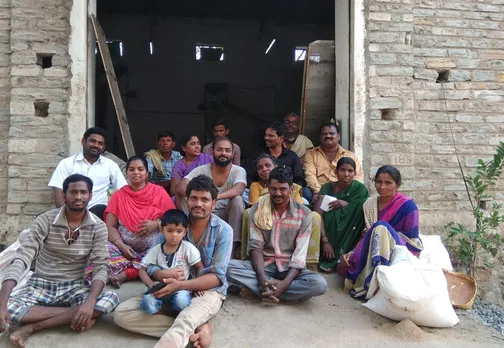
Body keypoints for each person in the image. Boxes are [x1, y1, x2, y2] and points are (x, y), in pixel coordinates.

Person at [0, 174, 119, 348]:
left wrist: (90, 301)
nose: (78, 196)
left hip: (74, 286)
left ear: (90, 196)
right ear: (64, 195)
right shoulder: (45, 220)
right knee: (8, 307)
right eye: (73, 192)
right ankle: (76, 315)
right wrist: (2, 304)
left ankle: (33, 327)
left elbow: (101, 265)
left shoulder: (98, 226)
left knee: (111, 298)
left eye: (83, 192)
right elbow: (23, 257)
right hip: (40, 284)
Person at [114, 175, 233, 348]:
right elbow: (151, 263)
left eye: (205, 199)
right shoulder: (172, 225)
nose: (198, 204)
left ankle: (184, 326)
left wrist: (182, 285)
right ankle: (200, 327)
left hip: (205, 291)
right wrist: (160, 274)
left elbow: (217, 277)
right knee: (122, 314)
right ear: (187, 200)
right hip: (168, 286)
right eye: (194, 198)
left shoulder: (224, 231)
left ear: (214, 203)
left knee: (185, 318)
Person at [227, 167, 327, 303]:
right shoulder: (258, 209)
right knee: (225, 267)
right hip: (264, 266)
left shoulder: (304, 213)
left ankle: (260, 291)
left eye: (283, 189)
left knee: (320, 284)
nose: (278, 193)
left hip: (289, 268)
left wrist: (285, 283)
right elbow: (256, 247)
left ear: (291, 189)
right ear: (268, 187)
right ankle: (276, 291)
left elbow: (299, 255)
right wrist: (262, 279)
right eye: (273, 189)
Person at [86, 156, 175, 288]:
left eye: (140, 169)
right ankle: (138, 269)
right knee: (98, 249)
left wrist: (156, 224)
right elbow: (110, 226)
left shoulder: (159, 193)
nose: (136, 173)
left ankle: (128, 273)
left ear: (147, 173)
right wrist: (121, 246)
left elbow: (173, 221)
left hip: (153, 248)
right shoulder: (119, 195)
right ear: (127, 173)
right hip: (123, 250)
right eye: (131, 169)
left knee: (168, 251)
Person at [339, 165, 423, 299]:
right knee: (348, 262)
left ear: (397, 185)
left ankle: (372, 282)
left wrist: (385, 233)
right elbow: (366, 233)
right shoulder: (370, 204)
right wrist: (351, 253)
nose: (382, 187)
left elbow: (411, 239)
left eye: (388, 183)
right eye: (379, 182)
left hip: (397, 248)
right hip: (373, 244)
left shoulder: (407, 205)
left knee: (380, 227)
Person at [176, 137, 246, 257]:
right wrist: (198, 198)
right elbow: (180, 186)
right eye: (219, 149)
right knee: (181, 196)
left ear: (232, 154)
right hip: (201, 212)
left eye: (227, 150)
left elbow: (239, 188)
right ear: (211, 151)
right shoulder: (201, 170)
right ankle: (184, 239)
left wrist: (213, 197)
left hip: (226, 215)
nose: (223, 153)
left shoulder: (238, 171)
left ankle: (232, 252)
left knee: (238, 200)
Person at [48, 127, 127, 220]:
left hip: (98, 215)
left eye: (100, 143)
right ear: (83, 141)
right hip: (72, 212)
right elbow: (59, 192)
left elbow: (123, 190)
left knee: (100, 209)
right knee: (42, 218)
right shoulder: (67, 163)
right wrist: (65, 217)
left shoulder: (110, 165)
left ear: (104, 147)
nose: (96, 145)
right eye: (92, 141)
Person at [139, 209, 203, 316]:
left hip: (181, 288)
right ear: (161, 229)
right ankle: (162, 314)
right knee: (147, 302)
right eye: (169, 230)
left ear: (184, 232)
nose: (174, 235)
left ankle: (172, 314)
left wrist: (196, 286)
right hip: (160, 288)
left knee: (181, 301)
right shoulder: (156, 250)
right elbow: (142, 270)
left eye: (179, 231)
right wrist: (150, 285)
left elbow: (200, 267)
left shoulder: (187, 248)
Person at [314, 157, 369, 272]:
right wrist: (325, 241)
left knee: (361, 205)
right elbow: (317, 215)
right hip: (326, 232)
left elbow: (366, 210)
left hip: (350, 233)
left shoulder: (360, 190)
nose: (346, 174)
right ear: (336, 172)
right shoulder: (327, 188)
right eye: (342, 170)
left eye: (350, 171)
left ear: (355, 173)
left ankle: (344, 257)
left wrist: (348, 204)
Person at [303, 122, 363, 204]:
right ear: (320, 137)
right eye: (324, 134)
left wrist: (346, 192)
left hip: (344, 193)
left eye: (331, 133)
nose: (328, 136)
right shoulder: (311, 154)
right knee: (304, 192)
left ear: (338, 136)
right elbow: (309, 174)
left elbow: (358, 177)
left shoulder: (350, 155)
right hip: (319, 192)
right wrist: (317, 192)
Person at [171, 134, 213, 209]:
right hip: (187, 195)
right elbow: (174, 189)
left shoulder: (207, 158)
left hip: (208, 192)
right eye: (193, 144)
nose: (197, 146)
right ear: (184, 148)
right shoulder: (179, 165)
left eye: (198, 143)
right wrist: (194, 195)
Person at [263, 121, 305, 188]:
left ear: (281, 138)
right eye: (265, 135)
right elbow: (250, 176)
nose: (266, 138)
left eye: (271, 136)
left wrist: (292, 191)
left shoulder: (292, 156)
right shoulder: (261, 155)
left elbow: (299, 179)